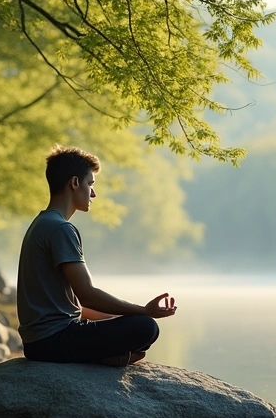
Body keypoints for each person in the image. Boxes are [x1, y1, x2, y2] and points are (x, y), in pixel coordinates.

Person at [17, 145, 176, 365]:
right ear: (74, 183)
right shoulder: (60, 229)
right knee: (145, 327)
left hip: (39, 343)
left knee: (136, 323)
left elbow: (76, 307)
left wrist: (124, 315)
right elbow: (88, 295)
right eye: (90, 184)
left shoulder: (42, 223)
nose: (93, 193)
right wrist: (143, 311)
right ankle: (108, 358)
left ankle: (113, 356)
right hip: (53, 342)